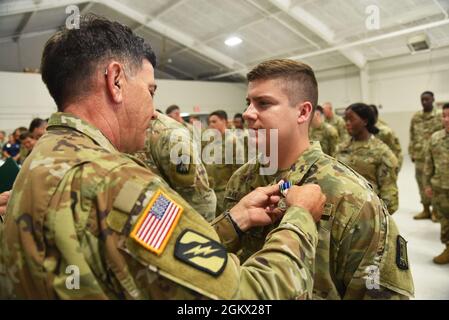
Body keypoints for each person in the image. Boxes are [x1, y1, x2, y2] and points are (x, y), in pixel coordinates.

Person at [0, 15, 325, 300]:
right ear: (115, 81)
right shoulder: (118, 184)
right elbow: (249, 296)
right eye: (150, 90)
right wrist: (300, 218)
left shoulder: (42, 160)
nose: (153, 110)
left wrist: (234, 221)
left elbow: (149, 259)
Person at [220, 59, 414, 299]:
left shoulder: (351, 196)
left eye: (263, 103)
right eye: (248, 103)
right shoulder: (242, 180)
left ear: (302, 112)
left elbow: (378, 292)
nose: (248, 114)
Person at [134, 111, 217, 222]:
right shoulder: (131, 130)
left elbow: (198, 198)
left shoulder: (171, 135)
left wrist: (203, 233)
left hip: (181, 220)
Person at [335, 103, 399, 214]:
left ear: (365, 121)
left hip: (369, 215)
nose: (347, 124)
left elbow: (389, 196)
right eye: (346, 120)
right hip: (343, 213)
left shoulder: (381, 152)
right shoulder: (341, 148)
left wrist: (377, 219)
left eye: (351, 119)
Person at [205, 110, 246, 215]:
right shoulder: (211, 140)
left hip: (226, 194)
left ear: (224, 121)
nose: (211, 125)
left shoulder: (233, 142)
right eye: (210, 122)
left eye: (214, 121)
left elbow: (240, 171)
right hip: (213, 192)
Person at [410, 91, 443, 220]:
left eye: (427, 99)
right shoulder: (416, 117)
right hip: (419, 156)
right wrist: (412, 151)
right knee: (421, 183)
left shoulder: (440, 115)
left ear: (433, 99)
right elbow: (412, 135)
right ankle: (425, 209)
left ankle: (436, 211)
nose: (424, 102)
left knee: (433, 183)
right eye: (422, 100)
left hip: (435, 157)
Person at [423, 103, 449, 264]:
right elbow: (429, 163)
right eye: (444, 116)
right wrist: (427, 185)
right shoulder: (435, 138)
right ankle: (448, 248)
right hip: (441, 187)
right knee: (445, 220)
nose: (446, 119)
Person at [369, 105, 403, 171]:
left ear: (376, 115)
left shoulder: (385, 131)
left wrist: (395, 168)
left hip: (385, 168)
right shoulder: (363, 129)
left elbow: (396, 151)